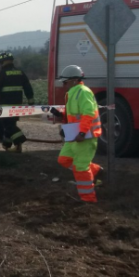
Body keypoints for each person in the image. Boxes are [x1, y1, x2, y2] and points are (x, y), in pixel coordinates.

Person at [54, 65, 103, 203]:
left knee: (80, 167)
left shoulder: (83, 92)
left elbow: (88, 114)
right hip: (75, 135)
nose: (63, 85)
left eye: (65, 82)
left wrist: (82, 132)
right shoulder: (73, 92)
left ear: (74, 80)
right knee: (64, 159)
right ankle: (95, 171)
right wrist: (62, 116)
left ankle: (88, 199)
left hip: (85, 137)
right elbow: (75, 114)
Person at [0, 52, 34, 152]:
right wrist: (31, 101)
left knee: (8, 125)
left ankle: (19, 141)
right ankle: (7, 145)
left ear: (2, 62)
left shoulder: (2, 73)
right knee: (11, 124)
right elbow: (28, 88)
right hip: (17, 105)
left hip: (5, 105)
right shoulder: (20, 72)